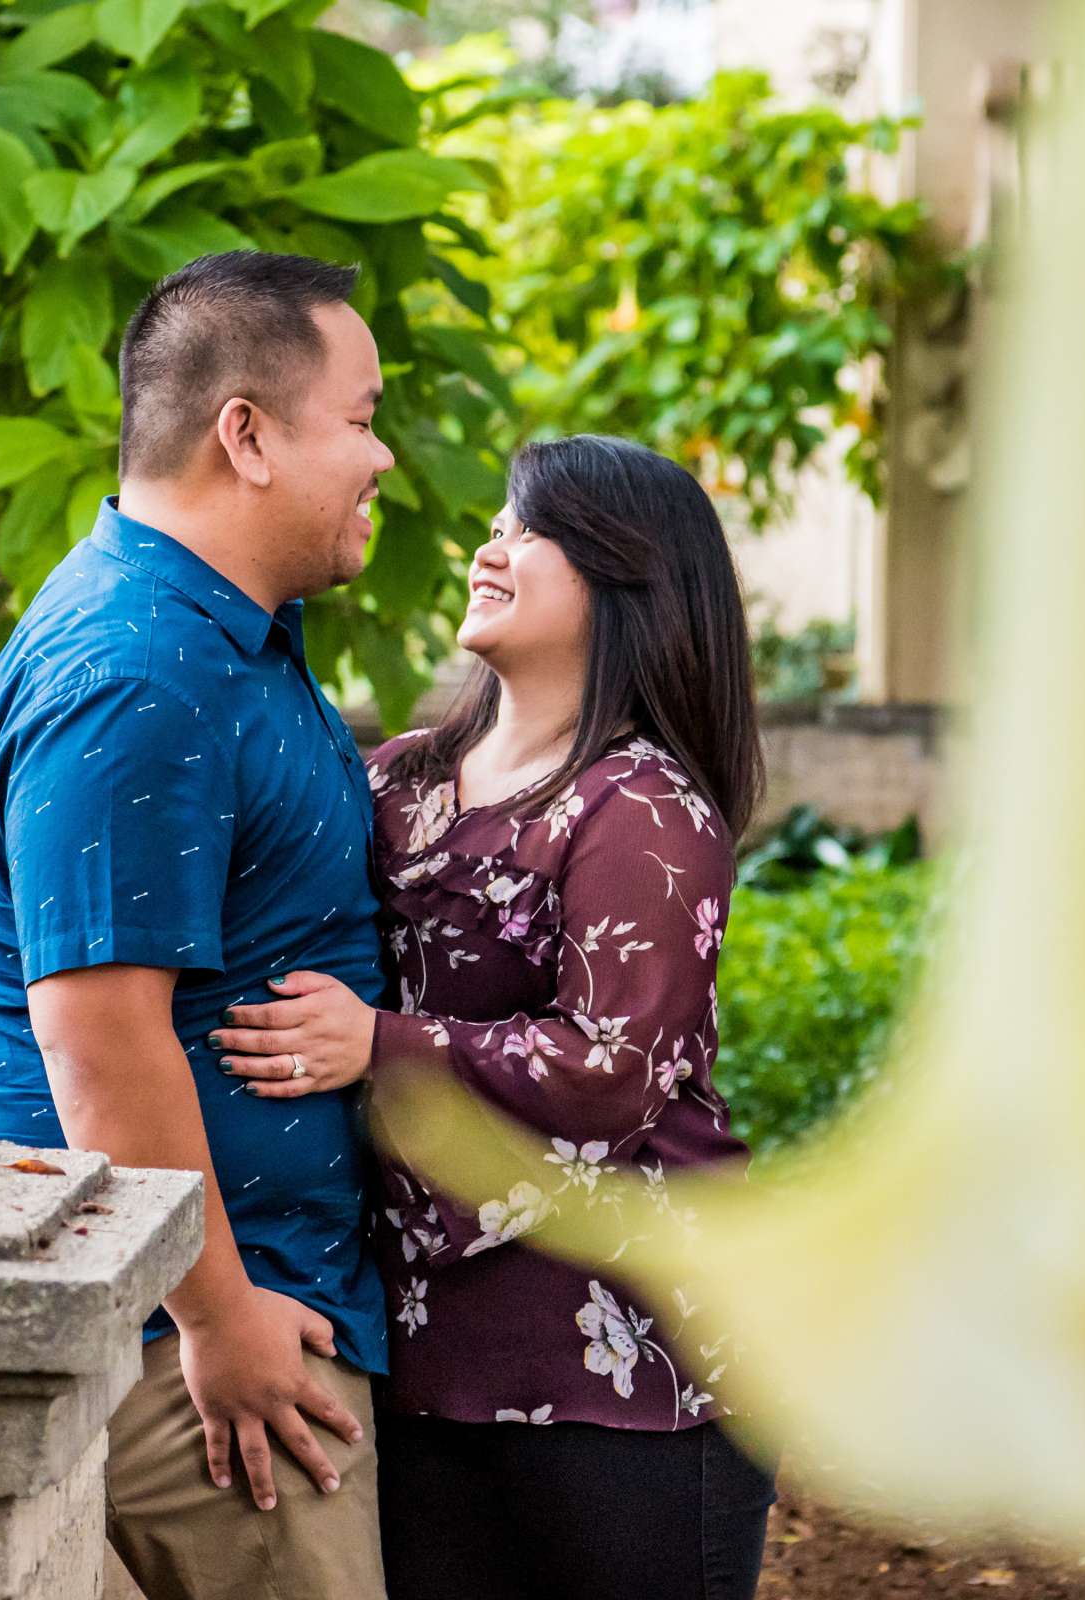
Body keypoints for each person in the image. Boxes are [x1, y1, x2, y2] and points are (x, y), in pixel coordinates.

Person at [214, 435, 778, 1599]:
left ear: (630, 577)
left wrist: (379, 1044)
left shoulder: (645, 805)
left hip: (639, 1375)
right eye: (500, 520)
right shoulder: (404, 779)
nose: (491, 543)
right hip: (426, 1355)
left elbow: (614, 1073)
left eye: (532, 528)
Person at [0, 250, 399, 1600]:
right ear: (244, 434)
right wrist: (221, 1316)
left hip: (230, 1320)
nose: (383, 456)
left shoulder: (222, 638)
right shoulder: (138, 668)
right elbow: (93, 1031)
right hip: (193, 1369)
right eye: (360, 417)